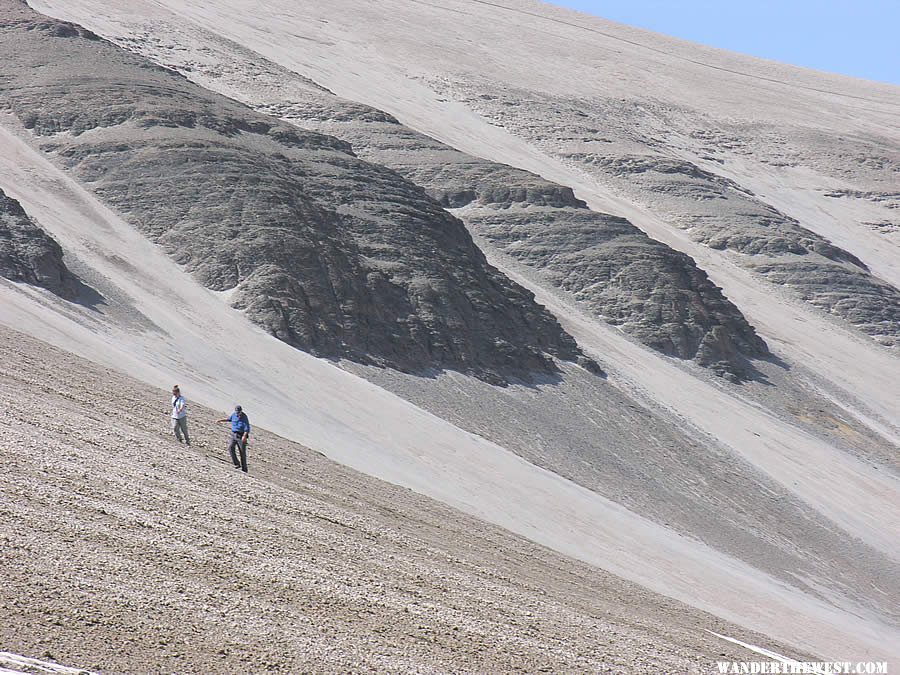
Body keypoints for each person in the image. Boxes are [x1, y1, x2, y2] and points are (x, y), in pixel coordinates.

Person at [218, 405, 250, 473]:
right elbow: (229, 419)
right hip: (233, 434)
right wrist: (221, 420)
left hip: (241, 436)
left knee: (242, 452)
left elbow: (247, 428)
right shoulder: (234, 415)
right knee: (230, 447)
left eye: (239, 412)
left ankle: (244, 469)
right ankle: (237, 463)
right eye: (237, 412)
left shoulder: (244, 417)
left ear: (241, 411)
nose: (238, 413)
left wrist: (244, 436)